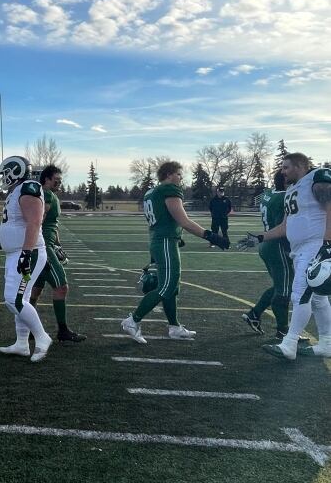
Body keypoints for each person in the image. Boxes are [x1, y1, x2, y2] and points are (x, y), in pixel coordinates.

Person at [121, 161, 230, 344]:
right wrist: (212, 236)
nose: (181, 177)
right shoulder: (168, 189)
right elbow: (184, 221)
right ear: (169, 174)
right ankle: (133, 320)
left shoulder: (152, 192)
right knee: (167, 286)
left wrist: (175, 235)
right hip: (164, 242)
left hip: (160, 240)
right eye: (179, 174)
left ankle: (174, 327)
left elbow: (164, 219)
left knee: (172, 288)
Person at [240, 153, 331, 360]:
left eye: (286, 167)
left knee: (299, 293)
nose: (282, 171)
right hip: (300, 249)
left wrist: (327, 244)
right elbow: (285, 226)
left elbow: (330, 206)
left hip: (315, 245)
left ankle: (289, 343)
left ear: (299, 166)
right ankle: (327, 343)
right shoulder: (292, 190)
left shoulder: (315, 179)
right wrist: (260, 237)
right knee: (318, 299)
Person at [0, 155, 52, 362]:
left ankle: (42, 337)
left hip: (29, 252)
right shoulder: (17, 191)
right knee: (21, 299)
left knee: (14, 299)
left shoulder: (28, 188)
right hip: (16, 252)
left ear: (15, 171)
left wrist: (26, 253)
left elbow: (34, 223)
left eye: (5, 173)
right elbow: (15, 229)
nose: (3, 177)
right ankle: (21, 343)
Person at [29, 164, 86, 343]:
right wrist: (45, 248)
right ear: (46, 179)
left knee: (36, 289)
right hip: (43, 247)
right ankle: (62, 331)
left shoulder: (47, 194)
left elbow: (52, 224)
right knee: (61, 287)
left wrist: (58, 245)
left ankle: (28, 328)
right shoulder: (46, 195)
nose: (59, 183)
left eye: (60, 181)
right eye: (57, 180)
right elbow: (38, 222)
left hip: (44, 246)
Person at [240, 172, 293, 338]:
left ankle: (254, 314)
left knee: (280, 285)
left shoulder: (269, 193)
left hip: (267, 243)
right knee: (284, 290)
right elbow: (285, 227)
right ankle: (283, 331)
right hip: (277, 244)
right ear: (285, 180)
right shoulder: (285, 197)